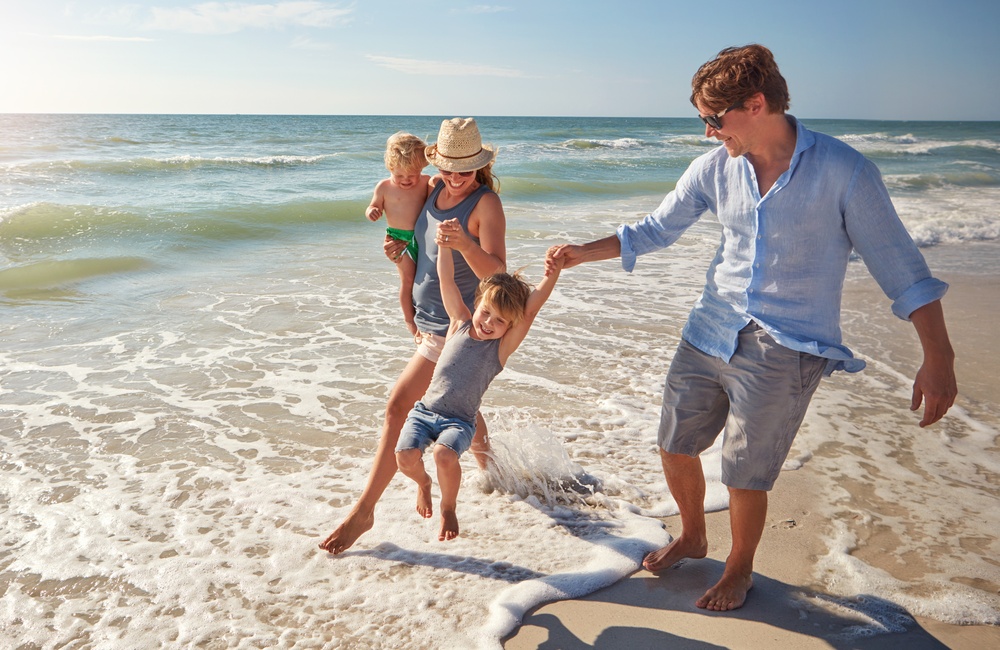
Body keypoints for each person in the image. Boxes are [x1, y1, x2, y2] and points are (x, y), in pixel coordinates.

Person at [548, 44, 957, 612]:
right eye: (703, 121)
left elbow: (904, 273)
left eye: (714, 120)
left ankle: (739, 568)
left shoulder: (845, 172)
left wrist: (939, 359)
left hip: (788, 343)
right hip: (711, 325)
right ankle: (693, 535)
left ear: (757, 103)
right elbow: (654, 230)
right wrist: (578, 254)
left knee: (745, 471)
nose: (709, 133)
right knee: (674, 441)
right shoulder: (714, 168)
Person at [320, 117, 507, 554]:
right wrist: (401, 258)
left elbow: (498, 273)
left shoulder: (485, 204)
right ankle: (496, 478)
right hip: (430, 318)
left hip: (460, 327)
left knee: (398, 407)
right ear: (436, 163)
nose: (456, 179)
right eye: (448, 168)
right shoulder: (432, 191)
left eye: (466, 171)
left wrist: (464, 245)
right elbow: (419, 248)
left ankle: (364, 511)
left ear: (480, 167)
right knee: (458, 404)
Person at [395, 225, 564, 541]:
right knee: (404, 457)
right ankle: (423, 485)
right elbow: (446, 280)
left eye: (500, 321)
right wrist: (444, 246)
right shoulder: (459, 322)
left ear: (509, 326)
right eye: (486, 312)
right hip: (423, 412)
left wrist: (551, 273)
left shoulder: (500, 349)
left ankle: (448, 507)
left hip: (459, 421)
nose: (489, 323)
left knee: (444, 456)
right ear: (478, 303)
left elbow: (531, 309)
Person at [366, 132, 432, 336]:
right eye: (399, 175)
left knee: (427, 279)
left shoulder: (427, 183)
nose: (406, 180)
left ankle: (428, 315)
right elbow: (372, 207)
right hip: (399, 240)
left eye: (413, 175)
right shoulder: (384, 187)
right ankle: (410, 322)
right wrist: (372, 212)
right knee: (408, 280)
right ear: (390, 168)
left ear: (422, 167)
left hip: (424, 238)